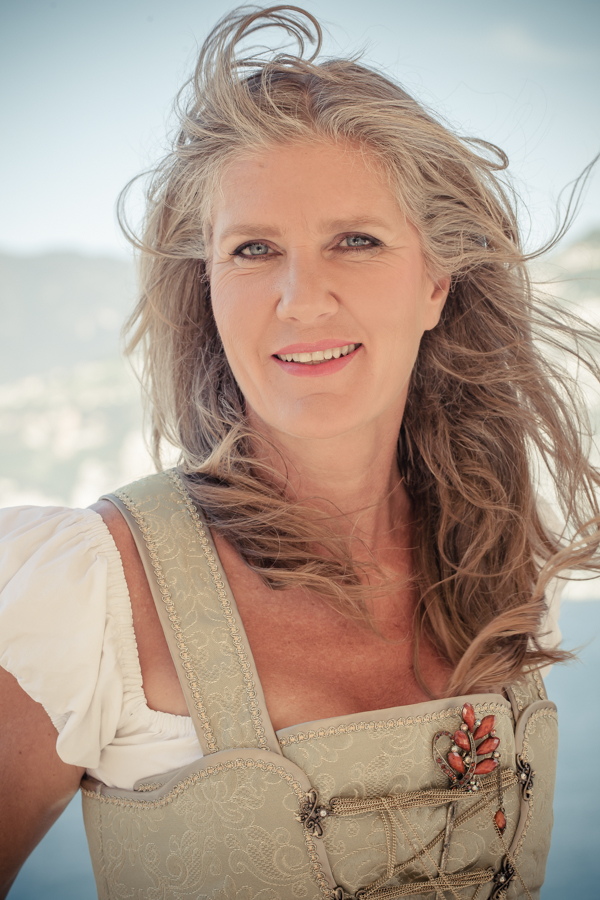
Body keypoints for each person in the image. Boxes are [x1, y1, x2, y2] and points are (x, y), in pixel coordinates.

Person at [1, 6, 599, 898]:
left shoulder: (499, 571)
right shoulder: (93, 591)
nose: (302, 297)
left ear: (436, 281)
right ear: (208, 287)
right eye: (254, 249)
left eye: (355, 241)